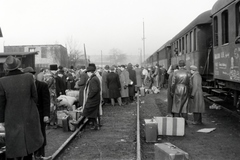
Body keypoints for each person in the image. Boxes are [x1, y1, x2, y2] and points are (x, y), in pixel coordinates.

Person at [0, 56, 43, 160]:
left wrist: (2, 120)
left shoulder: (2, 81)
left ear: (7, 68)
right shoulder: (28, 77)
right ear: (18, 66)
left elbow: (1, 102)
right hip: (29, 113)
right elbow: (35, 96)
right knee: (30, 140)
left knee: (15, 142)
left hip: (12, 116)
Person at [23, 67, 52, 160]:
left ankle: (40, 155)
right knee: (29, 136)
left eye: (32, 74)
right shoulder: (23, 87)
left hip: (40, 114)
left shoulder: (42, 86)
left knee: (41, 135)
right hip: (28, 116)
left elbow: (46, 101)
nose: (32, 76)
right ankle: (30, 156)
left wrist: (46, 115)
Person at [82, 65, 101, 130]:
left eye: (88, 72)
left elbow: (94, 90)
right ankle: (95, 125)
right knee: (93, 113)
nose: (87, 73)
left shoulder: (93, 79)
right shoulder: (94, 78)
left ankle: (81, 122)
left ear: (90, 72)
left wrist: (89, 96)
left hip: (93, 99)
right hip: (95, 98)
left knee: (87, 110)